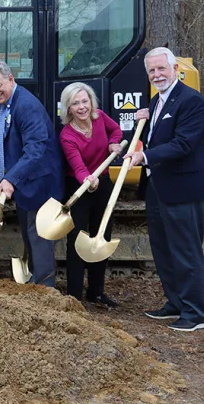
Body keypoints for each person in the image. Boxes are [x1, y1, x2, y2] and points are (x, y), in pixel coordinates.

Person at [126, 46, 204, 332]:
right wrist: (146, 119)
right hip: (158, 187)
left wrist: (144, 156)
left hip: (184, 188)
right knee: (163, 249)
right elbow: (159, 133)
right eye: (151, 70)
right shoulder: (157, 102)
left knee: (186, 251)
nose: (156, 74)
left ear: (176, 69)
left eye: (161, 68)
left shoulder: (192, 101)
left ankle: (195, 313)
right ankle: (175, 302)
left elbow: (184, 144)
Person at [0, 60, 62, 287]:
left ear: (10, 79)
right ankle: (38, 284)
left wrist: (10, 178)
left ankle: (46, 290)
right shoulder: (8, 103)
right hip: (26, 184)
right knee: (30, 236)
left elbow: (35, 150)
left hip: (39, 184)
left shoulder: (26, 105)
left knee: (39, 238)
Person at [58, 82, 123, 305]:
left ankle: (96, 292)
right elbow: (77, 167)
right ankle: (74, 296)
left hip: (103, 185)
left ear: (91, 102)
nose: (82, 107)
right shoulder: (67, 135)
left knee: (101, 237)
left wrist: (114, 144)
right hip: (79, 188)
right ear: (68, 108)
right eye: (75, 103)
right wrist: (88, 180)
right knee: (77, 241)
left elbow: (115, 131)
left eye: (84, 101)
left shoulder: (100, 117)